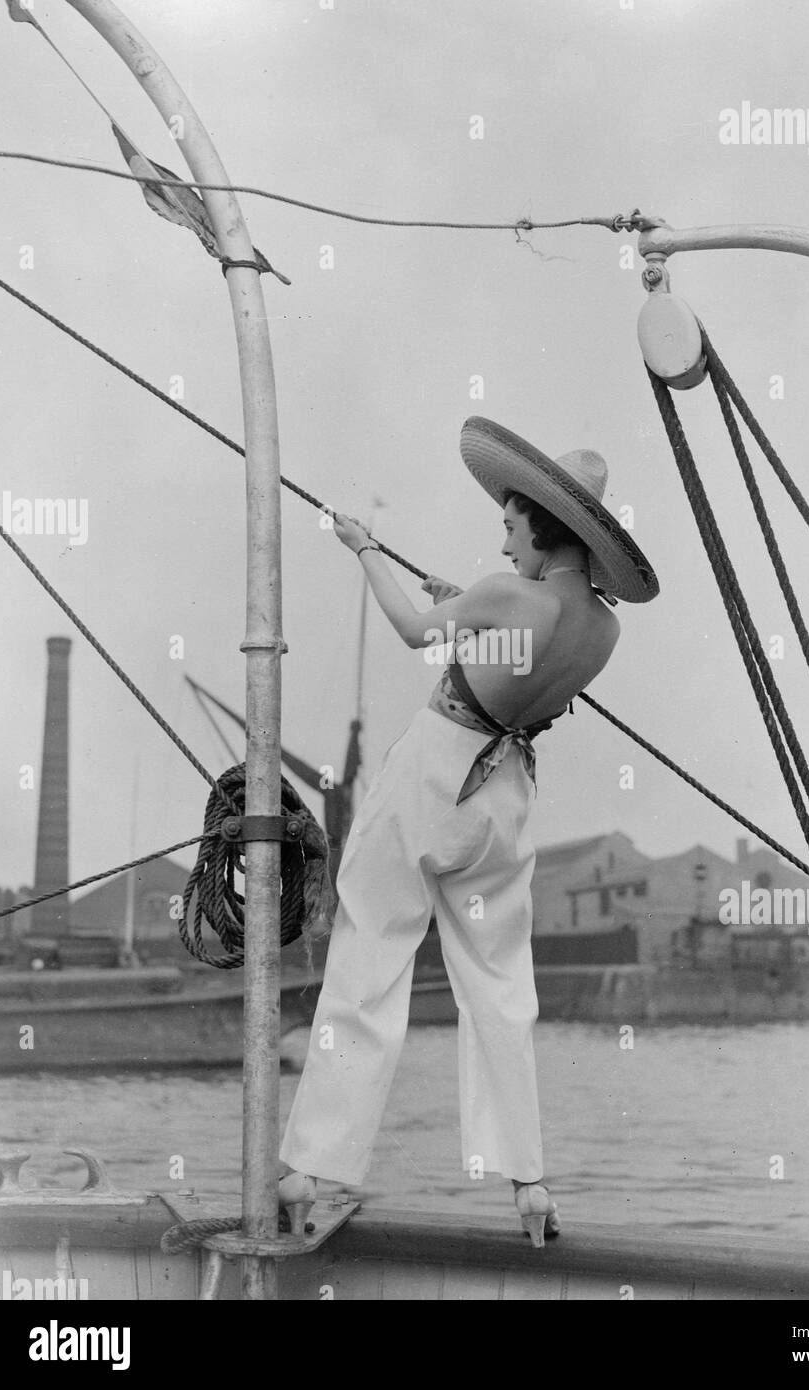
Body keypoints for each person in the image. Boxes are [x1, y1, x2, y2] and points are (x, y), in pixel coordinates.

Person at [279, 415, 658, 1245]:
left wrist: (364, 549)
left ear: (542, 526)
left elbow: (415, 631)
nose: (505, 534)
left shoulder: (506, 592)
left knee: (372, 946)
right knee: (498, 981)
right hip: (506, 793)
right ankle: (527, 1182)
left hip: (437, 770)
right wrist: (478, 614)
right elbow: (521, 660)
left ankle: (318, 1164)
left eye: (512, 523)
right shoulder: (603, 625)